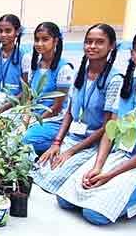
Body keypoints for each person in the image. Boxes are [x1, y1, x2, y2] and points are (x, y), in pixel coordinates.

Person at [56, 27, 136, 226]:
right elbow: (111, 130)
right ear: (132, 53)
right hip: (121, 154)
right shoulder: (127, 84)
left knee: (95, 215)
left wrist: (111, 174)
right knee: (65, 200)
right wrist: (98, 166)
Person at [33, 23, 121, 195]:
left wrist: (71, 151)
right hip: (72, 136)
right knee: (37, 168)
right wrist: (57, 143)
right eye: (88, 42)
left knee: (52, 180)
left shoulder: (115, 79)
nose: (92, 46)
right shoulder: (82, 73)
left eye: (99, 42)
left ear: (111, 46)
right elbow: (69, 113)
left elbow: (106, 127)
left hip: (91, 143)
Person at [21, 22, 75, 154]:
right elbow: (29, 98)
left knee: (25, 139)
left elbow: (56, 108)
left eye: (45, 39)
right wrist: (25, 121)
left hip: (52, 119)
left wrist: (33, 122)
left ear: (55, 41)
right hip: (34, 116)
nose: (39, 44)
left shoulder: (64, 69)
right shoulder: (34, 65)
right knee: (6, 131)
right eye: (37, 40)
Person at [0, 14, 31, 113]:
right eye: (0, 31)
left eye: (8, 31)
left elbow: (25, 92)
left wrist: (2, 109)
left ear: (17, 32)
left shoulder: (24, 57)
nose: (3, 34)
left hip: (14, 109)